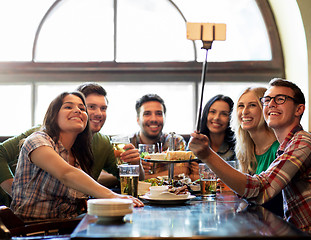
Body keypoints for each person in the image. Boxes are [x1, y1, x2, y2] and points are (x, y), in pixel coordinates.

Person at [189, 78, 311, 239]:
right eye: (267, 100)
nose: (271, 104)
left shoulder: (303, 142)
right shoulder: (285, 146)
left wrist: (207, 155)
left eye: (280, 99)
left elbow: (260, 191)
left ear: (299, 109)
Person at [0, 82, 142, 206]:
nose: (99, 113)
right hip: (35, 225)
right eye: (91, 106)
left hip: (68, 219)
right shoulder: (38, 137)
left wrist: (136, 164)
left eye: (103, 108)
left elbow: (124, 177)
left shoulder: (87, 145)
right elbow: (67, 174)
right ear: (55, 114)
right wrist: (16, 191)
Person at [232, 87, 283, 216]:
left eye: (252, 105)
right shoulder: (246, 150)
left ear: (266, 109)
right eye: (240, 106)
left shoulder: (279, 149)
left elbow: (269, 200)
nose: (244, 111)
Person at [128, 94, 197, 181]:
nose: (154, 119)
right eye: (147, 114)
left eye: (159, 114)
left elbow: (182, 172)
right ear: (138, 119)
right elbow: (111, 174)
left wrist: (139, 176)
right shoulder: (128, 143)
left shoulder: (175, 141)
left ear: (164, 117)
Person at [198, 94, 236, 162]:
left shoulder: (238, 147)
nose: (216, 118)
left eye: (224, 114)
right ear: (205, 114)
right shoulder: (197, 141)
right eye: (212, 112)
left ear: (231, 118)